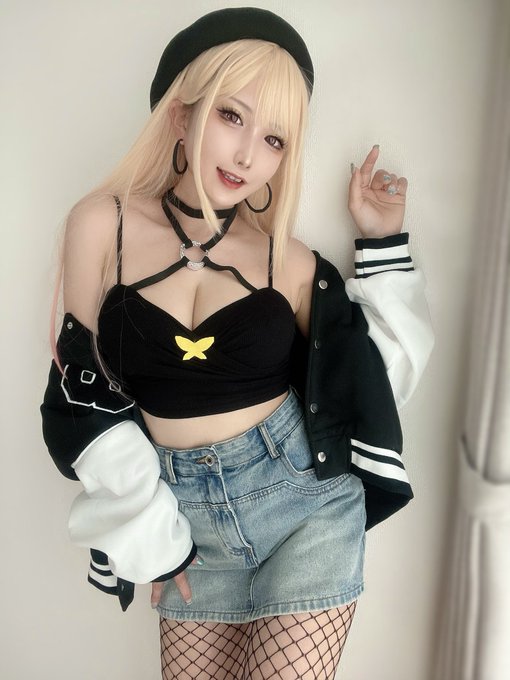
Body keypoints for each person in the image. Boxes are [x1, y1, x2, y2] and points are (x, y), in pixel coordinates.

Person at [40, 7, 434, 679]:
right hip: (185, 521)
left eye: (275, 138)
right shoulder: (102, 223)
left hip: (305, 507)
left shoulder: (287, 260)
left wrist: (381, 241)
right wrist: (149, 533)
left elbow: (369, 380)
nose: (250, 155)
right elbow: (79, 394)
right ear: (181, 114)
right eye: (232, 116)